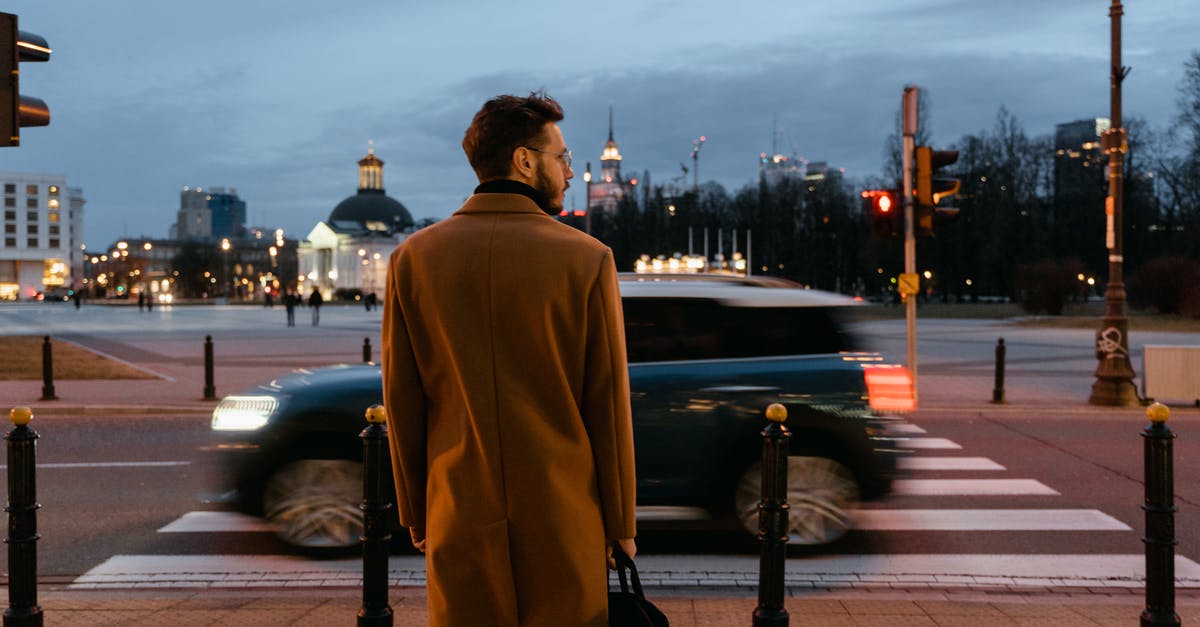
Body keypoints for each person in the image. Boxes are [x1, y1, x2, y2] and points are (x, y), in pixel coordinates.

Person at [382, 91, 636, 627]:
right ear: (524, 160)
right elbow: (606, 402)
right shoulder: (587, 260)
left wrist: (415, 509)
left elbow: (402, 398)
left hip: (459, 510)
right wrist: (619, 523)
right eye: (561, 156)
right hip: (563, 511)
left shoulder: (413, 260)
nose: (569, 171)